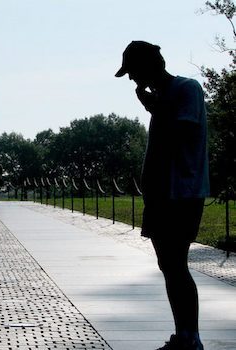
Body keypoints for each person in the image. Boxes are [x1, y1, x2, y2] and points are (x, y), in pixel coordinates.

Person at [115, 41, 209, 350]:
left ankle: (190, 337)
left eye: (133, 72)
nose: (131, 80)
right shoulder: (166, 97)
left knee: (176, 264)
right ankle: (183, 334)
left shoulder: (186, 89)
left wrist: (155, 107)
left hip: (180, 194)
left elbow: (181, 133)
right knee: (168, 265)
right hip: (160, 197)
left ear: (149, 66)